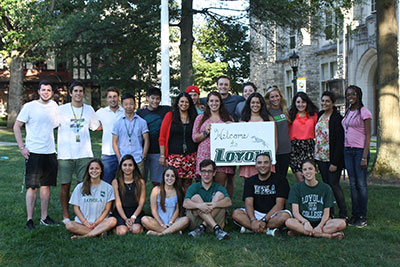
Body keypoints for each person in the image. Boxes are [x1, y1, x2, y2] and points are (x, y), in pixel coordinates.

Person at [13, 80, 60, 230]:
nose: (46, 92)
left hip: (50, 152)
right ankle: (29, 220)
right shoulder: (29, 107)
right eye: (43, 90)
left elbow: (57, 125)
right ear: (38, 92)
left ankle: (44, 218)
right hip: (33, 152)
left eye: (49, 90)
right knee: (32, 187)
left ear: (52, 93)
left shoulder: (54, 106)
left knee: (46, 187)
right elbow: (17, 126)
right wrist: (22, 147)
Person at [58, 80, 101, 224]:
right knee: (65, 185)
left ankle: (81, 214)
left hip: (84, 153)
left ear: (84, 94)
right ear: (70, 93)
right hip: (65, 154)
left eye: (80, 91)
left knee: (83, 185)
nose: (78, 93)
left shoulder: (89, 110)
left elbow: (97, 127)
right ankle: (65, 216)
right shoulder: (61, 109)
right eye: (75, 91)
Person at [232, 153, 291, 236]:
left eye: (266, 162)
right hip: (255, 213)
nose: (262, 165)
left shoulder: (281, 180)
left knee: (285, 216)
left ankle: (251, 229)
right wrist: (253, 220)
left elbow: (279, 205)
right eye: (259, 163)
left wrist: (264, 220)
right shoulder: (250, 181)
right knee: (236, 213)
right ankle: (267, 230)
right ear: (255, 165)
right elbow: (248, 203)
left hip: (273, 214)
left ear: (271, 164)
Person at [285, 160, 346, 240]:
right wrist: (305, 222)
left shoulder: (326, 188)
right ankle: (326, 235)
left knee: (342, 223)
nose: (308, 172)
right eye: (305, 170)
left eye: (310, 168)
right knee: (289, 222)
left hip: (322, 222)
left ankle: (302, 232)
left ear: (315, 171)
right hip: (303, 222)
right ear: (302, 173)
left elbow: (326, 213)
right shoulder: (296, 188)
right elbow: (295, 212)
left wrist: (320, 226)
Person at [192, 92, 235, 197]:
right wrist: (205, 133)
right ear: (207, 103)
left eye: (216, 100)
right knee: (204, 183)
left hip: (222, 155)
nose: (214, 103)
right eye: (211, 101)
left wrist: (232, 126)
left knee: (220, 185)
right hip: (205, 153)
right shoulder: (200, 118)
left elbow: (235, 136)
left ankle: (221, 208)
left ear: (220, 102)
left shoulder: (227, 118)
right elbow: (195, 138)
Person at [342, 85, 372, 228]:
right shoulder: (348, 111)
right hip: (348, 151)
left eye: (353, 94)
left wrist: (365, 156)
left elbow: (368, 135)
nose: (350, 97)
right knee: (353, 185)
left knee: (361, 185)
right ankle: (354, 215)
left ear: (359, 95)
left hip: (360, 151)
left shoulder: (364, 112)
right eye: (348, 95)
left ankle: (362, 216)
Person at [315, 91, 347, 219]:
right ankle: (330, 212)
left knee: (334, 185)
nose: (324, 103)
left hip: (332, 158)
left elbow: (340, 142)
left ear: (333, 103)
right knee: (326, 186)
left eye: (327, 101)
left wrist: (335, 162)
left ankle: (343, 212)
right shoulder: (320, 115)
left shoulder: (337, 118)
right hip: (320, 157)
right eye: (323, 100)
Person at [65, 159, 117, 239]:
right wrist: (85, 222)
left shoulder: (108, 188)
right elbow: (76, 208)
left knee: (113, 220)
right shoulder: (80, 187)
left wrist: (97, 223)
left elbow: (107, 209)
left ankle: (84, 236)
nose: (94, 171)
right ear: (88, 171)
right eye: (91, 168)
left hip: (100, 222)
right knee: (69, 225)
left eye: (97, 168)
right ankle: (98, 233)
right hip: (82, 223)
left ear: (101, 170)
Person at [183, 159, 232, 240]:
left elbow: (228, 202)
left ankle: (202, 227)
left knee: (219, 196)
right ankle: (217, 228)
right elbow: (185, 203)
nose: (206, 174)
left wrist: (214, 205)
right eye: (204, 171)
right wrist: (199, 205)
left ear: (214, 173)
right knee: (196, 198)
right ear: (200, 172)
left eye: (209, 171)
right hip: (196, 222)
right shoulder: (194, 187)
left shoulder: (218, 187)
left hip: (213, 220)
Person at [159, 92, 198, 191]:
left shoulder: (194, 117)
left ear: (190, 104)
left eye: (186, 102)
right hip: (174, 156)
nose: (184, 104)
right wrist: (163, 155)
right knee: (175, 182)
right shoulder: (170, 116)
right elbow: (162, 137)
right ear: (177, 103)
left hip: (190, 156)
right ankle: (176, 204)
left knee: (188, 183)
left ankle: (185, 204)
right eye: (181, 101)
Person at [137, 87, 171, 186]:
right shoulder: (140, 113)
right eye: (152, 98)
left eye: (157, 99)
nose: (155, 101)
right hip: (142, 151)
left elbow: (181, 105)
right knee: (139, 179)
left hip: (158, 151)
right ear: (148, 98)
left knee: (157, 181)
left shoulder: (166, 110)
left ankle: (158, 200)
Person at [141, 167, 190, 235]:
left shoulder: (179, 190)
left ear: (176, 178)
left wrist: (170, 223)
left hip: (173, 221)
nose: (170, 178)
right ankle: (172, 231)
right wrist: (161, 223)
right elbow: (153, 211)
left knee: (186, 220)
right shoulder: (156, 190)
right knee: (144, 219)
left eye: (172, 176)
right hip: (158, 221)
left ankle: (160, 233)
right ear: (163, 177)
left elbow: (177, 210)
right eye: (167, 175)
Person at [239, 92, 276, 179]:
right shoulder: (243, 120)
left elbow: (275, 140)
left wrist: (272, 157)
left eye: (257, 102)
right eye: (253, 102)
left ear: (261, 104)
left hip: (265, 159)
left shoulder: (268, 119)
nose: (255, 105)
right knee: (249, 184)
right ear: (249, 104)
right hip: (248, 159)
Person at [112, 93, 149, 177]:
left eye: (131, 104)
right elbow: (114, 142)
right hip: (123, 159)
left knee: (139, 182)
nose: (129, 106)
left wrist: (143, 156)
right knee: (124, 183)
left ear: (135, 104)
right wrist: (119, 157)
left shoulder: (142, 122)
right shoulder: (118, 123)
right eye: (126, 104)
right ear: (122, 105)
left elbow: (146, 140)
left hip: (138, 158)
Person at [96, 87, 124, 184]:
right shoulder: (101, 112)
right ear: (107, 99)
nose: (113, 99)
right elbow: (92, 124)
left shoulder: (124, 111)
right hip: (108, 153)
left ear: (118, 98)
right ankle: (109, 200)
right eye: (110, 97)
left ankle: (120, 199)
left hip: (123, 152)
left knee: (123, 181)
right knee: (107, 182)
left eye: (115, 97)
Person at [112, 155, 146, 235]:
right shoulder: (115, 182)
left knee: (136, 230)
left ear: (134, 167)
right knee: (122, 231)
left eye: (130, 165)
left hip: (136, 211)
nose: (127, 168)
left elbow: (141, 203)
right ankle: (114, 228)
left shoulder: (140, 182)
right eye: (125, 165)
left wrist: (133, 217)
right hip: (121, 212)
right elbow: (118, 204)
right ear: (121, 167)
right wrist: (125, 219)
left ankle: (136, 226)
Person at [288, 92, 318, 182]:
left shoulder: (314, 115)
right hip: (295, 148)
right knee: (300, 178)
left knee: (309, 177)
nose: (300, 104)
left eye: (303, 102)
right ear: (295, 103)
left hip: (308, 147)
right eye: (298, 102)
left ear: (307, 103)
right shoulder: (290, 115)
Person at [265, 86, 292, 178]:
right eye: (272, 97)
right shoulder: (267, 113)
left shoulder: (285, 111)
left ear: (280, 96)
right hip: (275, 149)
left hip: (286, 149)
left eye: (277, 96)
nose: (275, 99)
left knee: (283, 175)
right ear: (268, 99)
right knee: (275, 176)